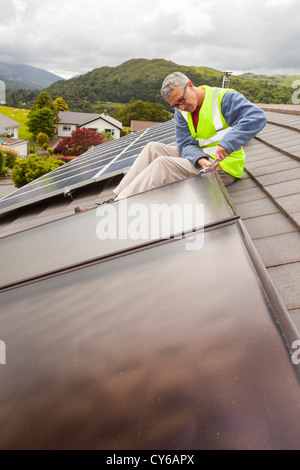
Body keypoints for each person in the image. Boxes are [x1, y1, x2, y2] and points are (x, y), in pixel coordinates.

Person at [75, 72, 267, 212]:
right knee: (152, 148)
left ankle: (116, 209)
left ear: (190, 85)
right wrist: (199, 159)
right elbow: (184, 144)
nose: (182, 107)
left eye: (182, 100)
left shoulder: (224, 98)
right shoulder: (181, 111)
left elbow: (256, 117)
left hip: (223, 168)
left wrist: (228, 143)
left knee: (163, 164)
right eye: (175, 105)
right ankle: (116, 198)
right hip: (203, 161)